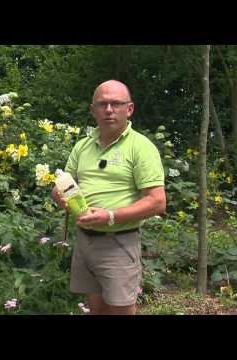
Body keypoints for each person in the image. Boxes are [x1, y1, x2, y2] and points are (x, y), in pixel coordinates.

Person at [51, 80, 166, 315]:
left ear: (129, 109)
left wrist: (111, 216)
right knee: (97, 309)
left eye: (116, 103)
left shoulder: (141, 147)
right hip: (85, 240)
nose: (109, 109)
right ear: (93, 110)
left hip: (118, 243)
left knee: (120, 310)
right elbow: (66, 184)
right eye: (102, 104)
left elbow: (157, 201)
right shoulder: (82, 146)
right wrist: (59, 195)